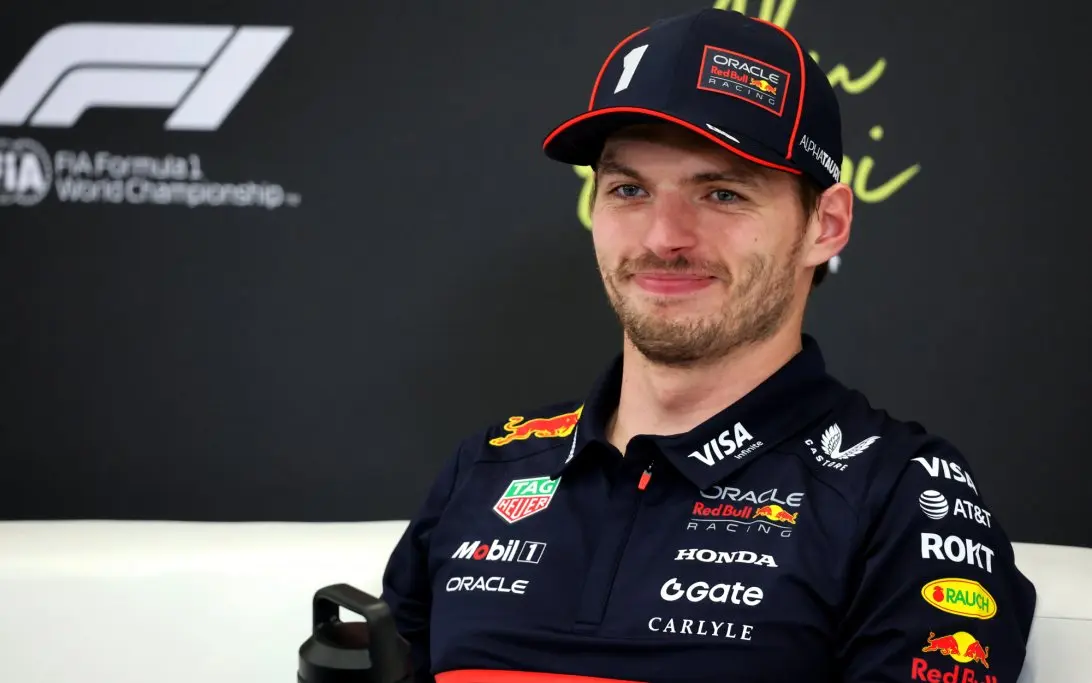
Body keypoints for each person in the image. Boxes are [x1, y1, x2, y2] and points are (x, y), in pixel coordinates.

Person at [380, 8, 1037, 683]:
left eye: (722, 193)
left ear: (826, 225)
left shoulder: (899, 495)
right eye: (628, 189)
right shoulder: (485, 469)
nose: (663, 237)